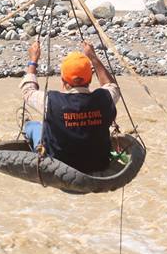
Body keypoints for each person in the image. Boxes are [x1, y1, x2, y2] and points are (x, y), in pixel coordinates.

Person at [20, 40, 122, 174]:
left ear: (63, 80)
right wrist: (93, 57)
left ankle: (30, 131)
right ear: (90, 79)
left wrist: (33, 60)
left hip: (58, 167)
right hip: (98, 164)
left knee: (33, 126)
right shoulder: (104, 99)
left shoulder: (51, 102)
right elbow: (111, 85)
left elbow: (27, 90)